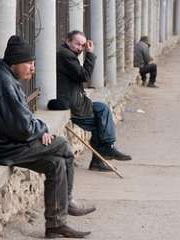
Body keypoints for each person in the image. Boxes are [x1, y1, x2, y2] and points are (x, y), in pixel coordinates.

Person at [0, 35, 95, 239]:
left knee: (55, 163)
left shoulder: (6, 77)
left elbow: (24, 120)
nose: (32, 68)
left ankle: (56, 224)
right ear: (15, 62)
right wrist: (41, 130)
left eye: (33, 63)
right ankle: (68, 202)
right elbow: (21, 127)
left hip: (6, 142)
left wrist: (40, 130)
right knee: (63, 145)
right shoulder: (2, 82)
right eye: (29, 63)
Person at [55, 30, 132, 172]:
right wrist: (89, 54)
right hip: (71, 103)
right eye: (77, 44)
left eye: (82, 46)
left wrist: (86, 53)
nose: (80, 48)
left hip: (77, 100)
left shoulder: (68, 54)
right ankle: (108, 148)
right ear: (68, 41)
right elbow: (84, 76)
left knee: (101, 113)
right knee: (100, 117)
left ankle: (103, 154)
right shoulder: (66, 56)